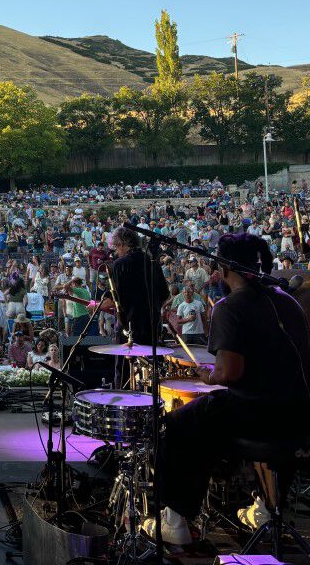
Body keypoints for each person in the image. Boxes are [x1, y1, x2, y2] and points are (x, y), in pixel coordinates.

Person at [143, 233, 310, 545]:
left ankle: (175, 521)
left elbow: (230, 372)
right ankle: (263, 506)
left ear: (226, 268)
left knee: (178, 425)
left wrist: (207, 375)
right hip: (299, 415)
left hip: (256, 413)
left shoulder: (228, 307)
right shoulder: (289, 303)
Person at [104, 226, 168, 345]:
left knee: (127, 362)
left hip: (130, 330)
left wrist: (97, 306)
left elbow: (115, 299)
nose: (116, 251)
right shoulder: (153, 262)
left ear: (123, 244)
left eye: (116, 247)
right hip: (152, 328)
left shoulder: (119, 265)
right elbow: (164, 294)